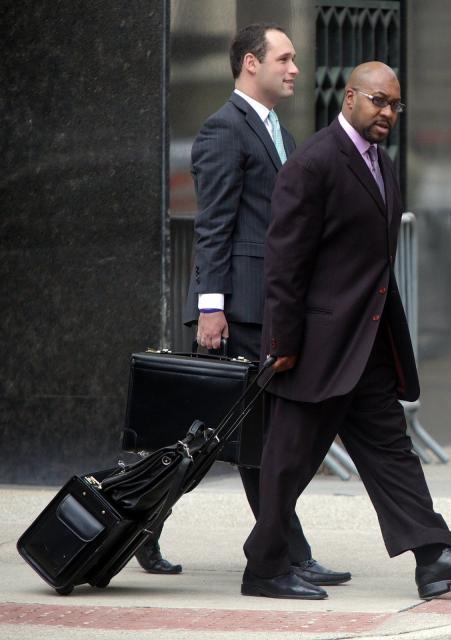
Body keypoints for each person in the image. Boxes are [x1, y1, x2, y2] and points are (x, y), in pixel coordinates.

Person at [241, 61, 451, 601]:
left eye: (394, 105)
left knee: (392, 451)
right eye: (378, 101)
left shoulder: (382, 166)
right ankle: (265, 569)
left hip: (366, 348)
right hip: (314, 350)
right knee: (288, 461)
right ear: (349, 99)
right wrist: (283, 346)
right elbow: (285, 264)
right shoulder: (314, 163)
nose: (387, 112)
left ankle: (432, 558)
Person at [139, 23, 350, 588]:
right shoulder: (222, 130)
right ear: (250, 64)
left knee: (232, 437)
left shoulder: (276, 128)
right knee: (225, 437)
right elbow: (214, 226)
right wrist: (211, 307)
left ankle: (276, 547)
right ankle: (281, 550)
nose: (295, 69)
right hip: (236, 310)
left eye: (296, 60)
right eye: (284, 58)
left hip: (266, 306)